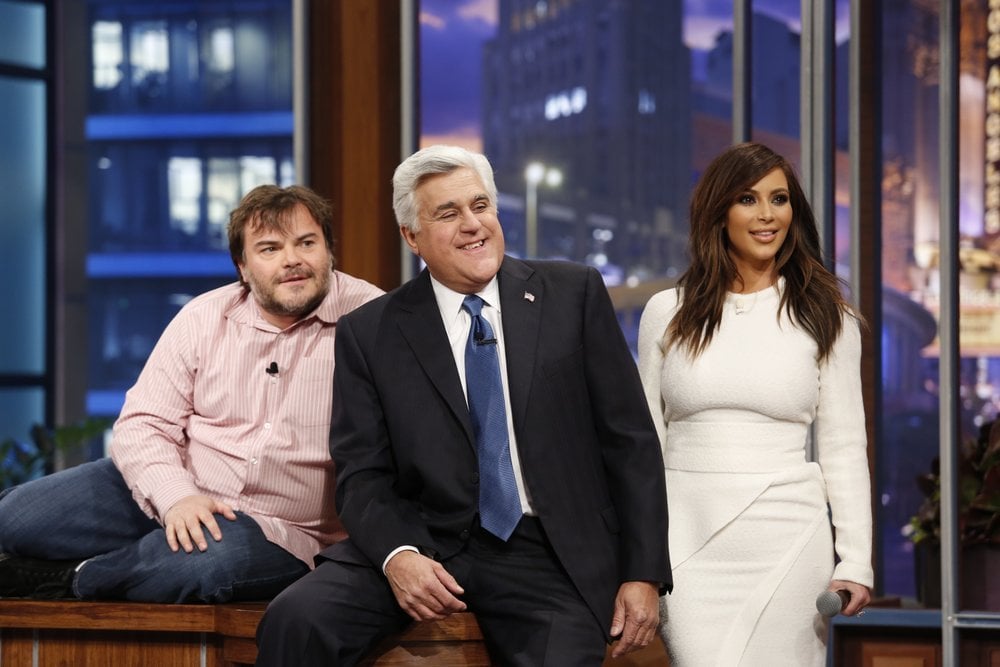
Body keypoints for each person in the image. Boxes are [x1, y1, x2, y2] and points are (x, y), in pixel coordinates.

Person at [255, 145, 671, 666]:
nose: (473, 224)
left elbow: (630, 442)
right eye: (448, 214)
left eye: (481, 206)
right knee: (297, 620)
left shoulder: (573, 294)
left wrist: (643, 573)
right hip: (422, 538)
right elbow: (362, 474)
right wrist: (397, 556)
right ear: (412, 236)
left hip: (543, 548)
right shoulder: (371, 331)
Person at [0, 184, 383, 603]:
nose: (292, 260)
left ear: (328, 250)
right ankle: (139, 559)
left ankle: (70, 579)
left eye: (306, 243)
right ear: (243, 266)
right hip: (182, 485)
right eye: (270, 249)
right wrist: (176, 496)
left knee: (211, 563)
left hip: (280, 531)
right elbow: (143, 423)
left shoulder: (372, 322)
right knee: (17, 517)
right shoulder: (203, 317)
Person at [637, 142, 873, 665]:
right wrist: (638, 557)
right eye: (748, 199)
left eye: (780, 198)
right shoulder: (666, 312)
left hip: (788, 542)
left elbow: (843, 447)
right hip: (686, 543)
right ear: (719, 212)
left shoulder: (829, 317)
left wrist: (855, 558)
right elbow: (644, 445)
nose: (768, 215)